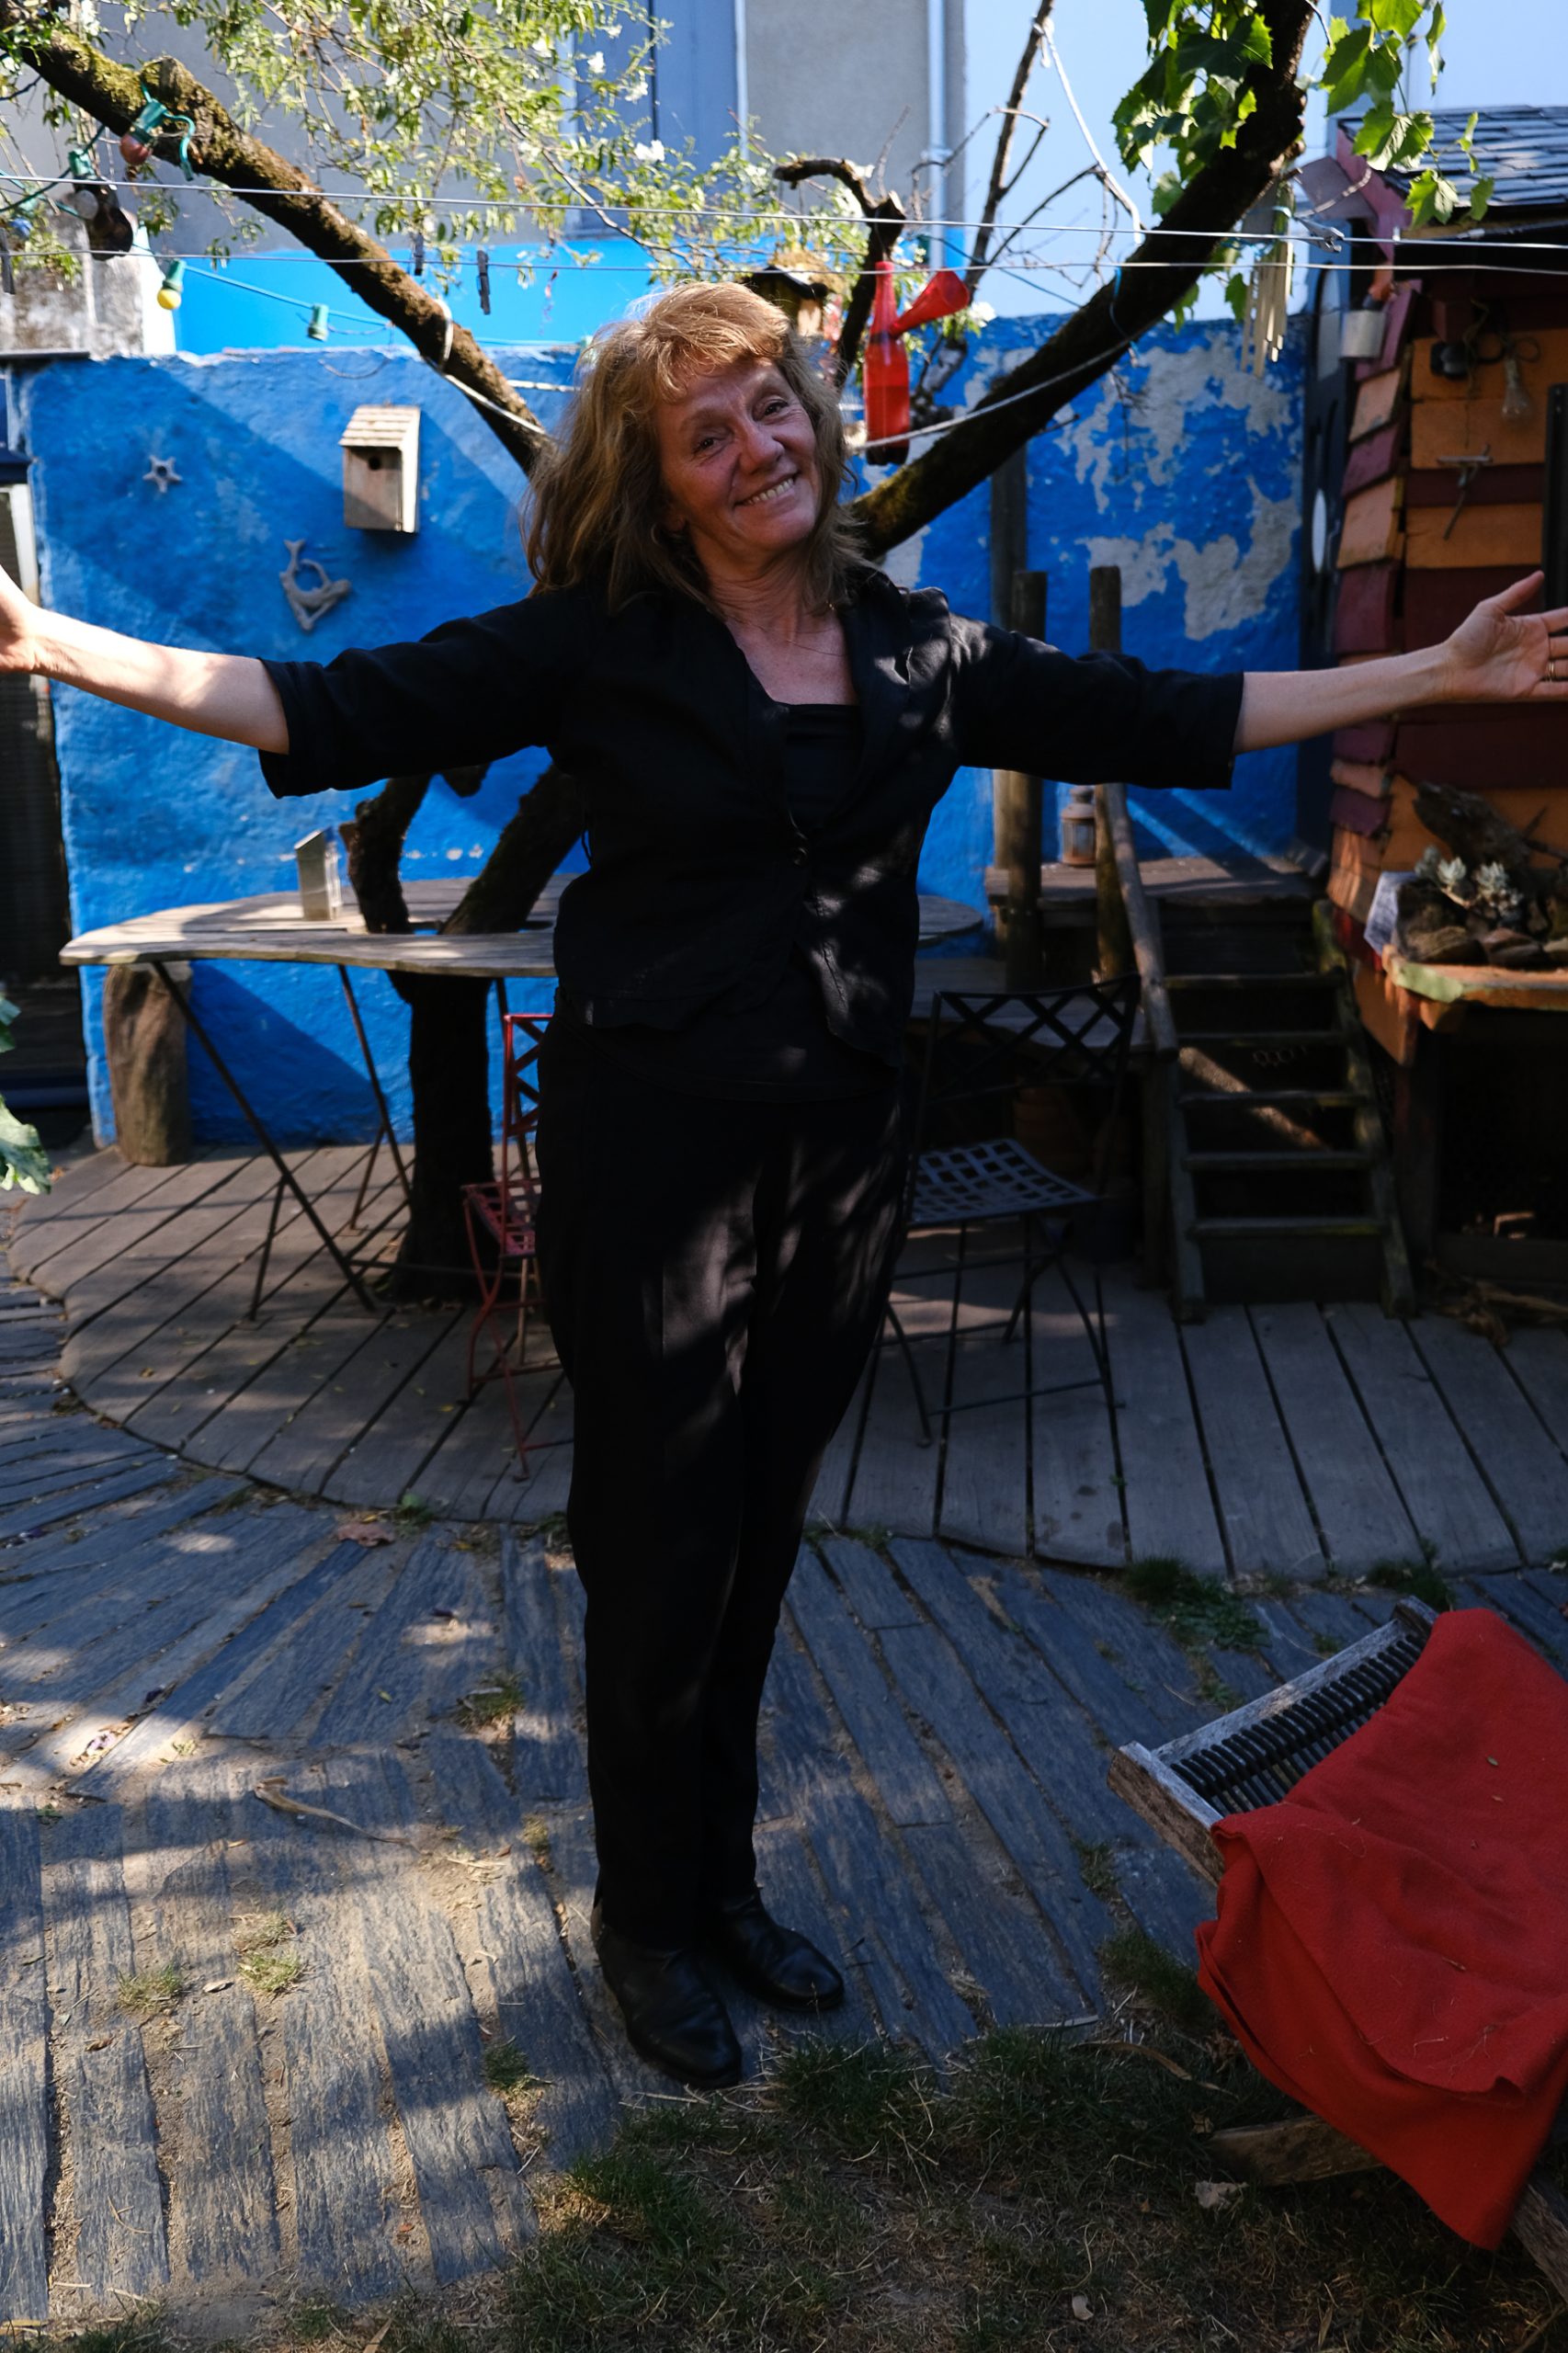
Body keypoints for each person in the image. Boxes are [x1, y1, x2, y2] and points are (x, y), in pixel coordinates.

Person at [4, 283, 1564, 2089]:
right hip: (650, 1147)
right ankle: (644, 1916)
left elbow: (1170, 713)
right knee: (656, 1540)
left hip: (839, 1149)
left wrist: (1428, 673)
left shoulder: (916, 651)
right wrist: (52, 644)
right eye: (707, 433)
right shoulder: (602, 644)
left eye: (771, 405)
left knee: (756, 1536)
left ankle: (722, 1881)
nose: (758, 446)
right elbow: (323, 701)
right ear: (659, 484)